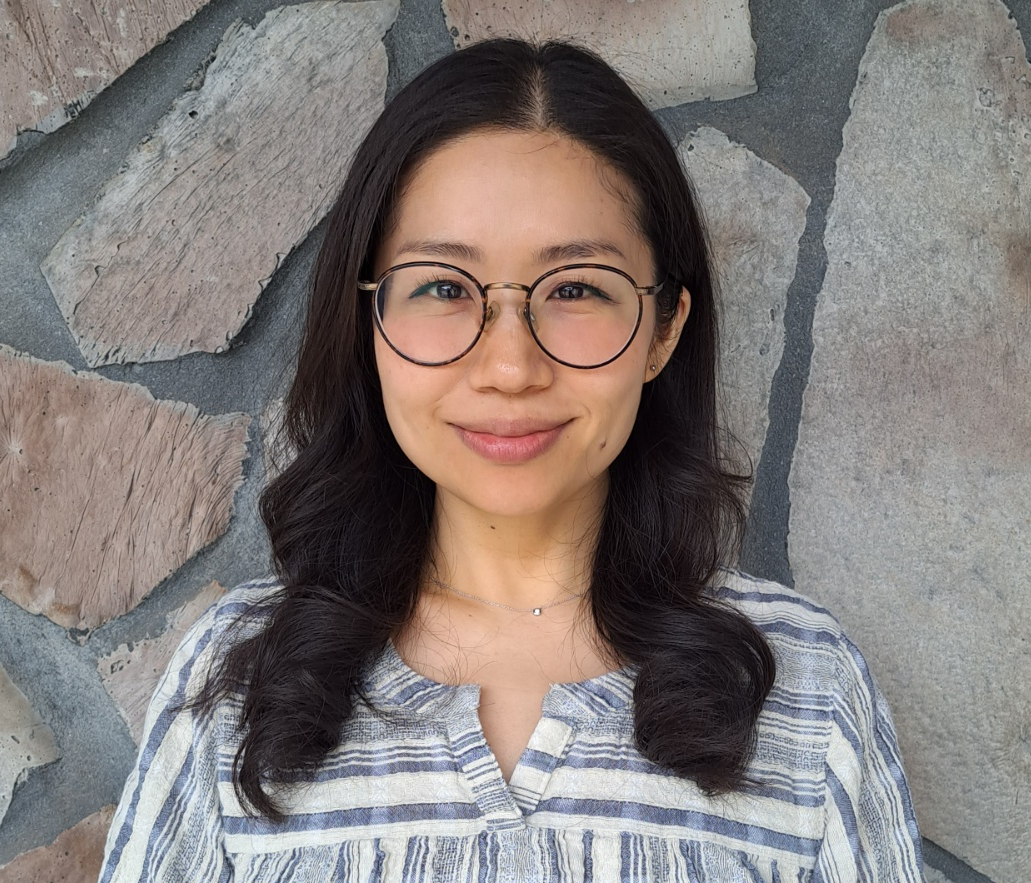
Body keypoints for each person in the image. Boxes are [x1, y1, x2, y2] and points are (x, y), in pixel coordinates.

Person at [98, 39, 923, 882]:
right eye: (443, 287)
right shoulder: (242, 673)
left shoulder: (803, 682)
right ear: (366, 323)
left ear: (664, 328)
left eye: (574, 290)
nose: (508, 367)